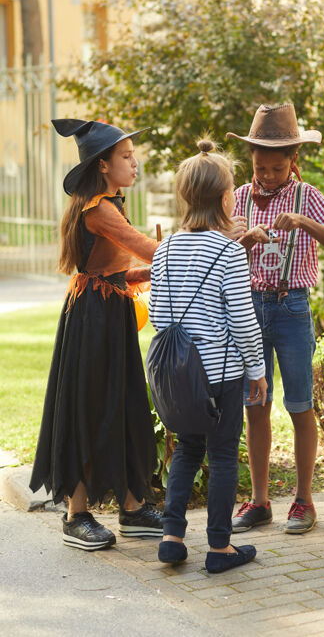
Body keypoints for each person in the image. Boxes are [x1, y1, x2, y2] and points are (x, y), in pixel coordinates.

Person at [30, 118, 163, 550]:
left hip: (111, 311)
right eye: (126, 156)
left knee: (122, 404)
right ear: (103, 165)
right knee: (90, 409)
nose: (134, 162)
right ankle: (76, 516)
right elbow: (145, 247)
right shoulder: (99, 209)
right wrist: (204, 242)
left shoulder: (109, 202)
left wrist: (153, 268)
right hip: (93, 318)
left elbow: (122, 270)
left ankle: (133, 507)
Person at [227, 103, 324, 535]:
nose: (267, 176)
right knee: (254, 405)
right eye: (260, 167)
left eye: (277, 168)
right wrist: (241, 241)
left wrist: (302, 222)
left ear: (292, 162)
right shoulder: (239, 197)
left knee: (300, 404)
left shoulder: (308, 196)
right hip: (249, 309)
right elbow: (219, 252)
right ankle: (260, 501)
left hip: (291, 308)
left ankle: (303, 499)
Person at [149, 138, 268, 574]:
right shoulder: (229, 251)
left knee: (185, 452)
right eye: (233, 187)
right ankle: (220, 549)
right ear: (224, 197)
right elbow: (242, 320)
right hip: (219, 374)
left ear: (184, 196)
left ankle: (171, 537)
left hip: (176, 375)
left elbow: (159, 317)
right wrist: (257, 370)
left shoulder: (164, 250)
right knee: (220, 456)